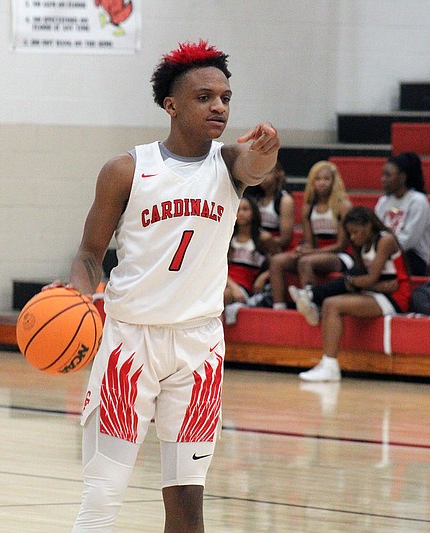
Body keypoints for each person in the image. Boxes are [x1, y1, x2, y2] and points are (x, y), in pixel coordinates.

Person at [58, 40, 279, 532]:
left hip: (198, 347)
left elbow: (254, 168)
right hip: (128, 345)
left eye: (225, 97)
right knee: (103, 497)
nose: (218, 105)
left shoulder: (228, 164)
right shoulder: (126, 170)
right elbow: (89, 255)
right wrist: (76, 296)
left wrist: (264, 153)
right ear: (171, 105)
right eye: (204, 97)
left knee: (186, 501)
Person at [291, 206, 411, 382]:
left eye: (355, 232)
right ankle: (327, 363)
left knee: (333, 303)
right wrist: (364, 284)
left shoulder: (385, 241)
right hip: (379, 292)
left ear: (368, 225)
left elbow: (370, 278)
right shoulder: (362, 246)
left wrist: (354, 283)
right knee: (330, 302)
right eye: (350, 234)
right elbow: (368, 280)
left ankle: (330, 366)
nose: (353, 238)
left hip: (396, 297)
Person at [268, 160, 352, 310]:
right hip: (316, 253)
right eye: (318, 179)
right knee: (277, 261)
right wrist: (301, 249)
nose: (322, 183)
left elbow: (341, 245)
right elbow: (309, 243)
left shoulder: (343, 206)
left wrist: (311, 252)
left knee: (305, 262)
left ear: (334, 181)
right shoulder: (308, 207)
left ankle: (313, 303)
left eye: (326, 179)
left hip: (341, 256)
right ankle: (278, 306)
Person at [374, 152, 430, 276]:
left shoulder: (418, 201)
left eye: (388, 175)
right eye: (382, 175)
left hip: (412, 258)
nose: (383, 179)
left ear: (402, 177)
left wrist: (382, 247)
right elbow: (374, 230)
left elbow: (408, 241)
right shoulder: (383, 201)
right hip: (384, 252)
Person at [223, 195, 270, 324]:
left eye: (245, 209)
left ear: (254, 212)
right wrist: (232, 286)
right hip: (226, 283)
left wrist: (263, 277)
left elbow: (277, 263)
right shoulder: (228, 236)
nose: (241, 213)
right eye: (238, 210)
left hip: (245, 289)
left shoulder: (263, 238)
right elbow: (219, 266)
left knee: (223, 295)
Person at [245, 161, 295, 254]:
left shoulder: (285, 200)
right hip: (254, 243)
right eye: (259, 173)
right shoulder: (255, 197)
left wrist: (264, 240)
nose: (262, 177)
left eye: (266, 173)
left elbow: (285, 240)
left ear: (278, 174)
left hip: (275, 248)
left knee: (265, 237)